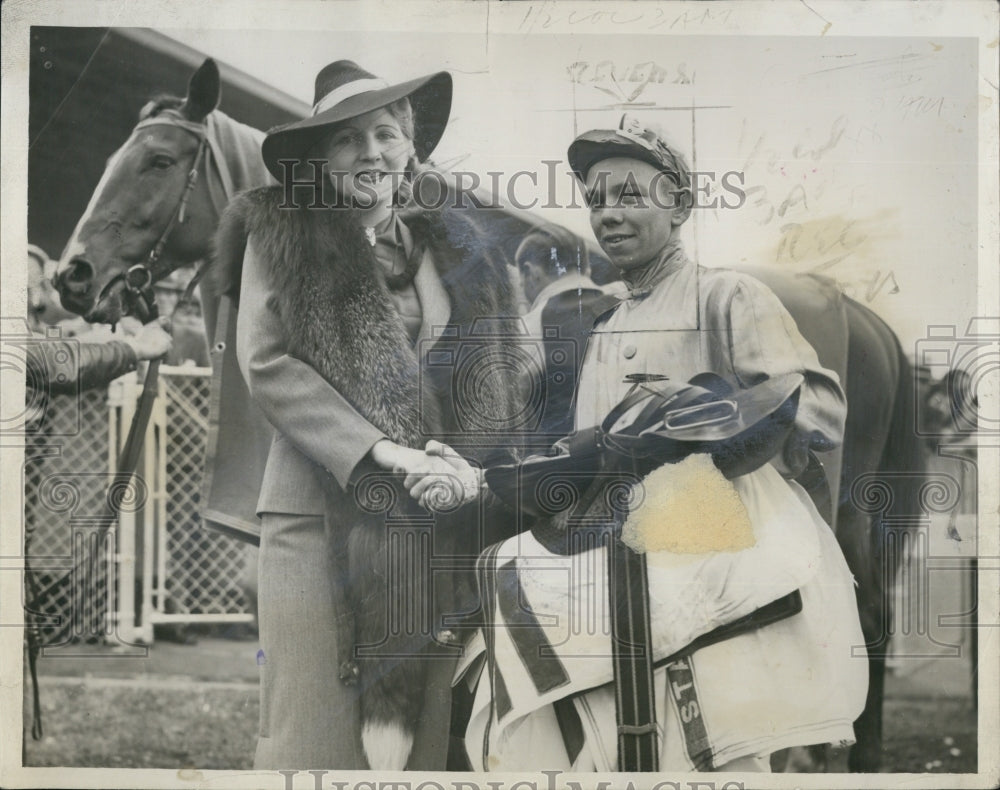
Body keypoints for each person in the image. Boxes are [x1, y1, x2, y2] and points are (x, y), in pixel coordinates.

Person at [417, 116, 869, 772]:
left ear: (679, 204)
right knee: (519, 617)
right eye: (597, 201)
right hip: (617, 552)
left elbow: (818, 410)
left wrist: (701, 423)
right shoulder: (602, 322)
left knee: (716, 745)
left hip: (721, 546)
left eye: (630, 195)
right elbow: (592, 450)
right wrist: (483, 475)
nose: (609, 214)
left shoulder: (726, 295)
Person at [219, 60, 520, 771]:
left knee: (421, 722)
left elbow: (497, 367)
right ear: (322, 162)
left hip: (427, 516)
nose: (371, 154)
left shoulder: (453, 249)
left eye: (386, 134)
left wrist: (465, 462)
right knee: (315, 719)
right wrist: (383, 451)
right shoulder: (281, 234)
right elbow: (266, 365)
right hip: (315, 513)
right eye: (347, 141)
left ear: (411, 150)